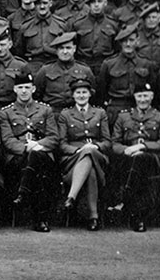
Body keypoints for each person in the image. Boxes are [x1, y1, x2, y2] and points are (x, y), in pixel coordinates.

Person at [0, 72, 59, 232]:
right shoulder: (6, 112)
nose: (24, 91)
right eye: (20, 87)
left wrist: (37, 144)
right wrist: (27, 147)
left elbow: (53, 136)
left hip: (42, 152)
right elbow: (8, 140)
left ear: (33, 89)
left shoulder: (45, 110)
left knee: (37, 160)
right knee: (36, 166)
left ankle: (23, 194)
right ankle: (41, 219)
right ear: (15, 89)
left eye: (27, 87)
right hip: (18, 156)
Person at [110, 82, 160, 232]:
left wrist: (143, 147)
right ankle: (138, 216)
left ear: (152, 97)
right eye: (140, 96)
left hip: (153, 159)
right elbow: (114, 143)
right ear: (135, 97)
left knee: (141, 159)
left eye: (146, 96)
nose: (143, 99)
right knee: (136, 162)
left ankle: (125, 199)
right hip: (128, 159)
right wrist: (127, 149)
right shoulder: (124, 116)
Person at [56, 80, 109, 231]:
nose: (81, 95)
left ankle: (71, 197)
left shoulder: (100, 113)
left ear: (90, 94)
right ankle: (93, 217)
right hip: (73, 159)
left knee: (90, 151)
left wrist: (95, 146)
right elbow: (62, 144)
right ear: (73, 95)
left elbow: (107, 142)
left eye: (84, 92)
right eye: (78, 92)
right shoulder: (65, 114)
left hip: (98, 155)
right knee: (89, 169)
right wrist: (77, 151)